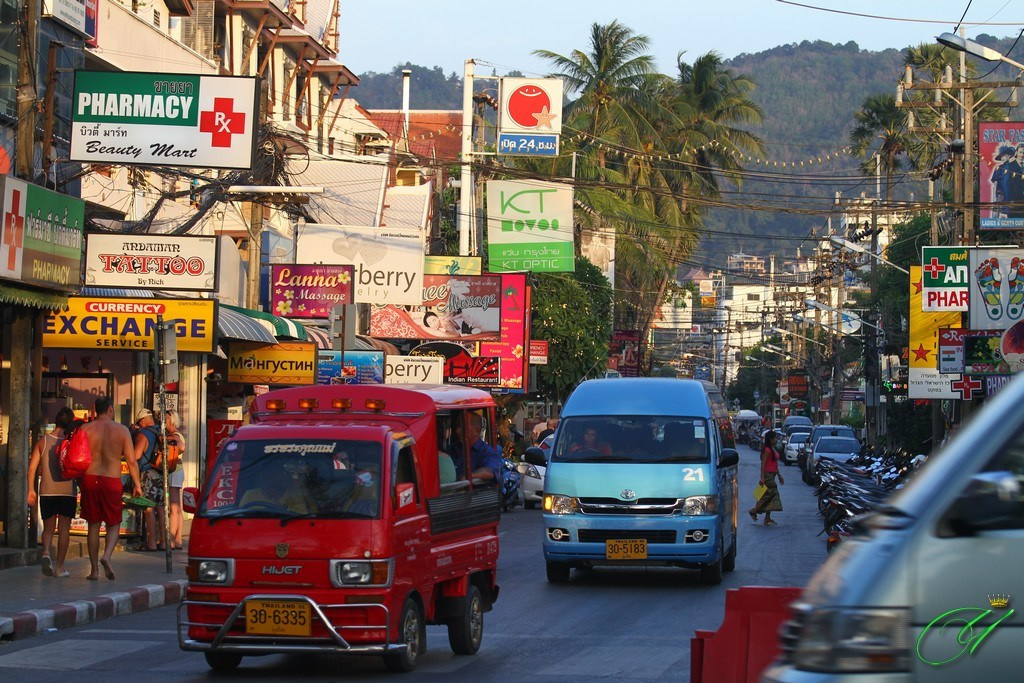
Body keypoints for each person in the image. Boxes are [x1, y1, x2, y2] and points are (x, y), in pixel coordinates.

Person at [81, 396, 141, 580]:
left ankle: (94, 571)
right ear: (110, 409)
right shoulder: (121, 430)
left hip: (90, 478)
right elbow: (131, 461)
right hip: (111, 480)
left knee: (93, 524)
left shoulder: (85, 429)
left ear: (95, 410)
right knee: (113, 522)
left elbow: (78, 456)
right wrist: (137, 484)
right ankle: (106, 555)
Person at [27, 407, 77, 578]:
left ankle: (46, 551)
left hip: (47, 491)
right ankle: (59, 568)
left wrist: (31, 490)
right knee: (64, 530)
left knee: (48, 528)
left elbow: (32, 469)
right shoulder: (72, 442)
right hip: (67, 492)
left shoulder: (43, 441)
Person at [133, 408, 166, 551]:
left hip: (149, 473)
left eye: (139, 423)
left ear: (143, 420)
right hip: (162, 473)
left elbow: (136, 455)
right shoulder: (161, 431)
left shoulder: (144, 433)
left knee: (149, 508)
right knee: (161, 508)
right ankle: (164, 542)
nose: (139, 426)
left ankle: (151, 542)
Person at [239, 458, 316, 513]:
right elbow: (241, 519)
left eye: (287, 473)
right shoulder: (250, 496)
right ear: (268, 475)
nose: (285, 476)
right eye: (280, 472)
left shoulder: (297, 494)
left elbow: (311, 518)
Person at [749, 429, 784, 526]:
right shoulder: (767, 450)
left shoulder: (773, 448)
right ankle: (754, 511)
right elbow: (763, 464)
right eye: (775, 438)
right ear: (771, 439)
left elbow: (775, 464)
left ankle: (767, 518)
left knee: (769, 497)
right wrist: (762, 477)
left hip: (772, 474)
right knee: (770, 495)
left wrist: (779, 475)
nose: (776, 440)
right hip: (768, 475)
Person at [163, 410, 187, 550]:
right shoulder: (178, 435)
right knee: (177, 507)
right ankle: (177, 539)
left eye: (166, 420)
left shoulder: (174, 436)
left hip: (174, 470)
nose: (164, 423)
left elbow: (181, 447)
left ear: (171, 420)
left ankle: (172, 540)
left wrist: (174, 453)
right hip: (179, 471)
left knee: (173, 507)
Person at [467, 413, 502, 483]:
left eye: (463, 427)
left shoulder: (487, 451)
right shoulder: (454, 449)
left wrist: (466, 477)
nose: (458, 431)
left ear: (476, 430)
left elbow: (490, 472)